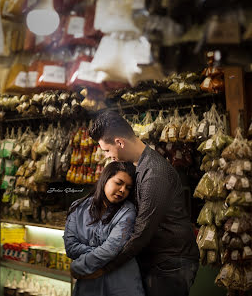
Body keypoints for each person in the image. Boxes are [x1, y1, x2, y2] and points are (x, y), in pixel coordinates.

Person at [83, 110, 199, 296]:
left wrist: (105, 266)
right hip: (156, 261)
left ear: (119, 142)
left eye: (106, 150)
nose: (106, 155)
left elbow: (142, 232)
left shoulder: (154, 173)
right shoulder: (138, 166)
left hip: (170, 265)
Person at [64, 161, 145, 296]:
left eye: (128, 187)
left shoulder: (127, 212)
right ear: (105, 179)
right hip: (89, 286)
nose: (123, 190)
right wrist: (107, 254)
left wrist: (78, 267)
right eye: (119, 183)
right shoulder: (78, 207)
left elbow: (110, 249)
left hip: (121, 284)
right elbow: (70, 248)